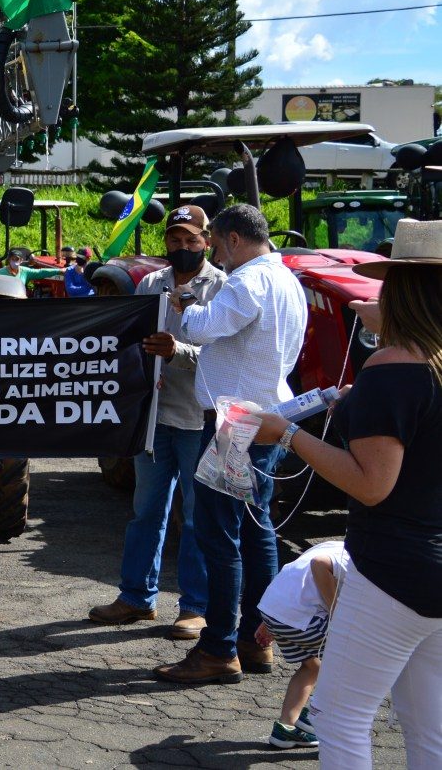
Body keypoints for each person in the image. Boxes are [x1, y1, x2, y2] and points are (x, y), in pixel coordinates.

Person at [249, 217, 442, 766]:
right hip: (430, 567)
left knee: (337, 718)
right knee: (429, 726)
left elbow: (371, 485)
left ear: (399, 289)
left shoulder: (391, 369)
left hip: (391, 570)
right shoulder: (429, 368)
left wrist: (288, 433)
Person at [154, 204, 306, 685]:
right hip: (264, 417)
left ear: (234, 239)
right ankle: (255, 639)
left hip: (234, 423)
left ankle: (220, 647)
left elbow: (201, 329)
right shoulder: (286, 280)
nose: (216, 254)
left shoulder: (245, 281)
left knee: (220, 536)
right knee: (257, 531)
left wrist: (185, 306)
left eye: (216, 244)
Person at [89, 205, 223, 641]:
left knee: (197, 514)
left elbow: (227, 359)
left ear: (208, 240)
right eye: (174, 239)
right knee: (146, 509)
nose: (182, 247)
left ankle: (195, 607)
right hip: (155, 415)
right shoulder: (151, 283)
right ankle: (136, 597)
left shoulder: (223, 288)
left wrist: (177, 352)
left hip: (197, 417)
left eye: (191, 240)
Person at [254, 540, 350, 750]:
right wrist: (337, 613)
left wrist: (271, 620)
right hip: (300, 618)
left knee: (312, 667)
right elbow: (318, 564)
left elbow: (298, 576)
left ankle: (286, 729)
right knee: (359, 649)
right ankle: (316, 714)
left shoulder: (331, 545)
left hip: (273, 610)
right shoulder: (355, 558)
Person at [0, 247, 64, 289]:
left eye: (17, 259)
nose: (14, 261)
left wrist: (59, 270)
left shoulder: (24, 271)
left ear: (21, 260)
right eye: (12, 259)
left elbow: (40, 272)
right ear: (9, 260)